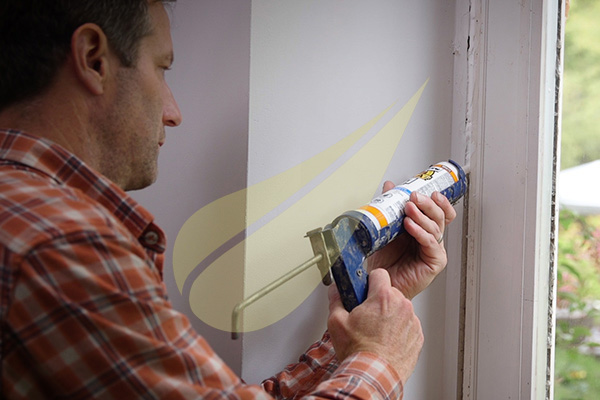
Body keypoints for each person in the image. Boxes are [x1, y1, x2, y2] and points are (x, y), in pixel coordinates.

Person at [0, 0, 457, 398]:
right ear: (93, 58)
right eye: (161, 68)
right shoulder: (63, 242)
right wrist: (382, 358)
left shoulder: (26, 214)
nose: (173, 113)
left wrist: (366, 323)